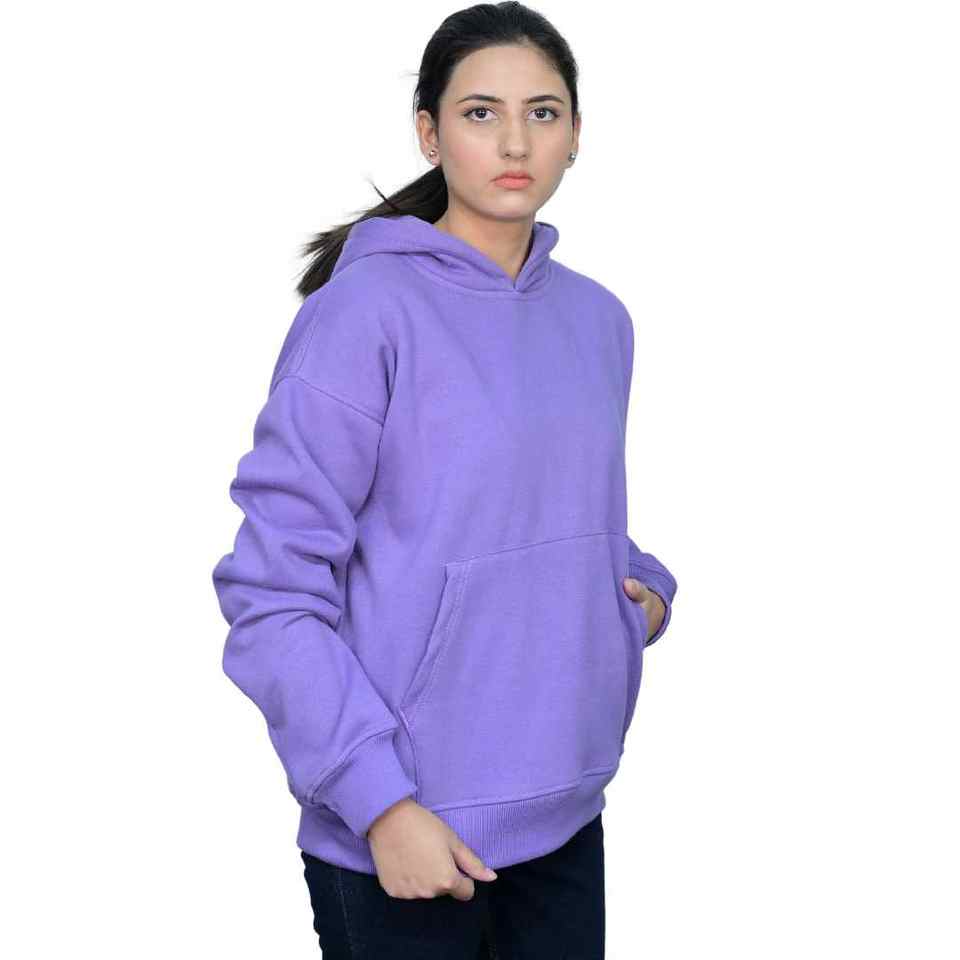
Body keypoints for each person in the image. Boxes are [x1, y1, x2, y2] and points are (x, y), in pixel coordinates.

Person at [211, 2, 678, 956]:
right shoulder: (363, 314)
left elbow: (541, 511)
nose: (515, 141)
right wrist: (380, 806)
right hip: (404, 830)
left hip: (567, 810)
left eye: (543, 112)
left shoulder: (599, 320)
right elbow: (271, 591)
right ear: (429, 133)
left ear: (577, 134)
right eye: (480, 113)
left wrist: (639, 591)